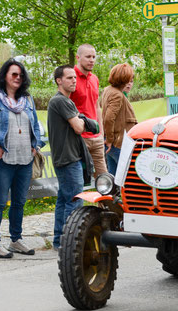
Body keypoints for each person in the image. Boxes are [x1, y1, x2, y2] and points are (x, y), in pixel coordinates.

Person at [0, 60, 43, 258]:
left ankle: (15, 240)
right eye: (14, 74)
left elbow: (36, 126)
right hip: (2, 160)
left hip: (25, 160)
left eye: (21, 75)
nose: (18, 78)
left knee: (20, 202)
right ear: (5, 75)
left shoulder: (27, 101)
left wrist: (36, 145)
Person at [48, 65, 98, 250]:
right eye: (69, 78)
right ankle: (71, 243)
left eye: (74, 78)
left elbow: (80, 123)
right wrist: (85, 121)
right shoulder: (60, 101)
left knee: (64, 200)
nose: (74, 80)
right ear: (59, 81)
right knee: (75, 201)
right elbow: (78, 127)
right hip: (68, 158)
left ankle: (59, 241)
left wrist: (82, 119)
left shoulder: (65, 101)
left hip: (68, 157)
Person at [70, 44, 108, 179]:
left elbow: (97, 106)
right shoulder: (70, 77)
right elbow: (65, 107)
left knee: (104, 180)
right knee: (77, 181)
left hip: (96, 137)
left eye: (93, 57)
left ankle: (103, 201)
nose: (91, 60)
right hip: (78, 138)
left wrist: (101, 133)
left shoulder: (94, 78)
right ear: (78, 58)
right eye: (88, 57)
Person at [101, 63, 138, 175]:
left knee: (114, 177)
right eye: (129, 79)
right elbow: (108, 118)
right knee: (130, 175)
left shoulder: (108, 90)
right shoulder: (117, 94)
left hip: (113, 143)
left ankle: (114, 193)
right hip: (118, 143)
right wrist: (110, 140)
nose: (130, 82)